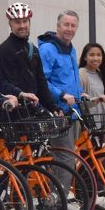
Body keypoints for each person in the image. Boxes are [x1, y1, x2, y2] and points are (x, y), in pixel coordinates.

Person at [38, 10, 85, 188]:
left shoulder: (70, 48)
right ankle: (58, 205)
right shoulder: (48, 49)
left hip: (73, 111)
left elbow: (71, 78)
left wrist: (81, 93)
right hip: (57, 111)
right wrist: (61, 95)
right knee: (65, 158)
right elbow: (42, 80)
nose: (70, 29)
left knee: (65, 157)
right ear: (58, 26)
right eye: (66, 24)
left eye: (73, 25)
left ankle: (58, 199)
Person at [0, 2, 60, 114]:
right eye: (17, 22)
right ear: (10, 24)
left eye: (25, 21)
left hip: (33, 110)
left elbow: (41, 81)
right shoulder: (4, 50)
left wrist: (53, 107)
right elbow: (3, 82)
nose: (22, 26)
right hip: (15, 113)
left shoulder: (32, 48)